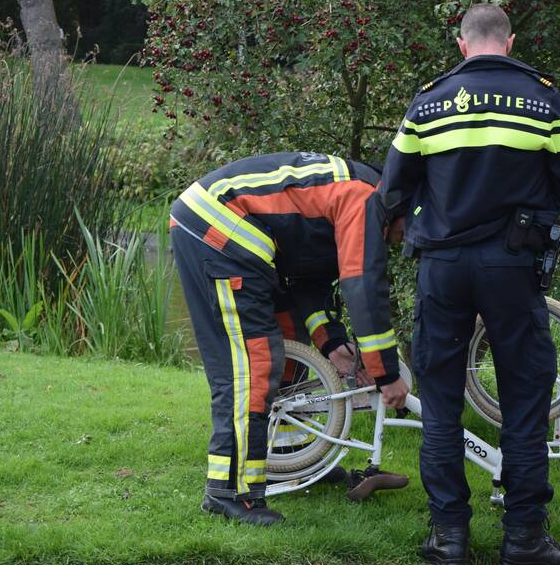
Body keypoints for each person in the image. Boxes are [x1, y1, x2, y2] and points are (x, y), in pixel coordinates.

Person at [380, 3, 560, 565]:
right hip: (512, 266)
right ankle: (523, 539)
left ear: (461, 43)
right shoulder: (541, 98)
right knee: (524, 398)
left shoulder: (428, 101)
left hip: (442, 268)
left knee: (442, 399)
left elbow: (392, 190)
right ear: (510, 40)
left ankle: (448, 538)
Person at [170, 151, 410, 526]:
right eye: (408, 231)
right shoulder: (365, 200)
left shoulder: (365, 192)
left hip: (247, 237)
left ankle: (296, 459)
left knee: (290, 346)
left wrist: (332, 343)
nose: (404, 241)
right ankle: (230, 492)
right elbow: (363, 286)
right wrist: (386, 373)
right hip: (219, 227)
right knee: (253, 365)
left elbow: (308, 278)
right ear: (404, 207)